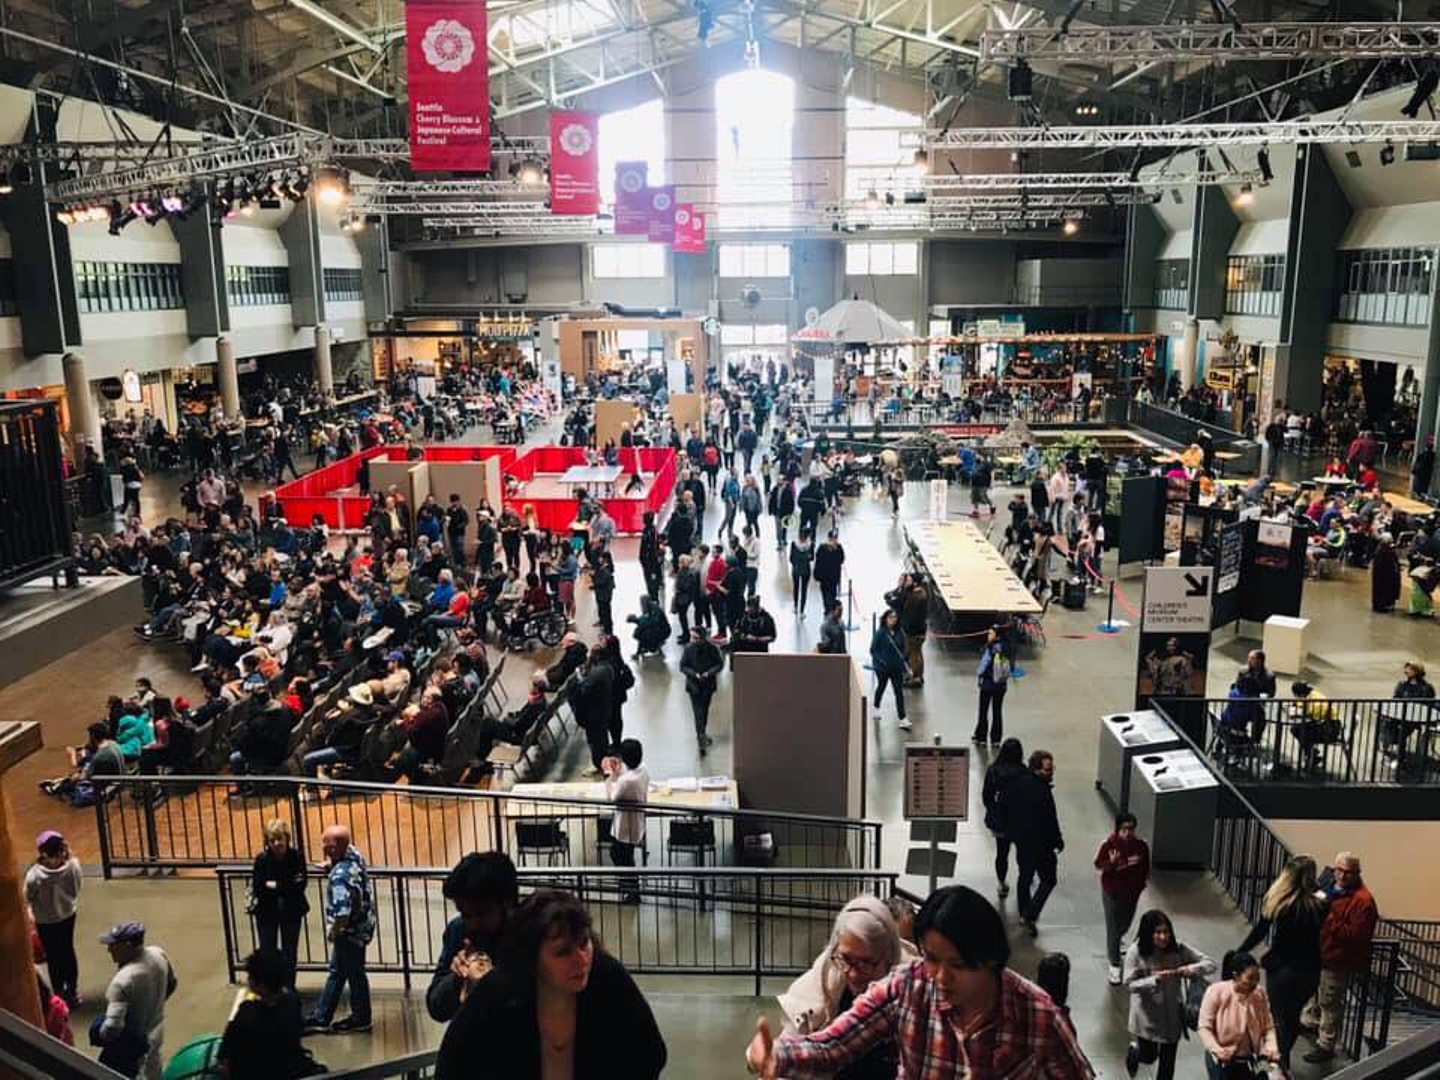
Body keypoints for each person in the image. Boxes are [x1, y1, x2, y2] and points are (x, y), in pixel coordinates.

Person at [746, 884, 1094, 1079]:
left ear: (991, 960)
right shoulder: (907, 988)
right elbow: (834, 1044)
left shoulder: (1037, 1016)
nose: (940, 976)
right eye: (931, 958)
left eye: (957, 964)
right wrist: (779, 1055)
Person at [436, 890, 667, 1080]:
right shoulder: (497, 993)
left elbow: (650, 1054)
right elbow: (452, 1067)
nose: (582, 959)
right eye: (563, 952)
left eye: (584, 943)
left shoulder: (608, 977)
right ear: (531, 958)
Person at [776, 896, 917, 1080]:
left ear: (889, 957)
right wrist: (773, 1059)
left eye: (866, 963)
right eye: (846, 959)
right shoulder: (818, 986)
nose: (853, 974)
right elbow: (823, 1051)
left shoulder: (913, 988)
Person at [1236, 855, 1326, 1075]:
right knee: (1293, 1017)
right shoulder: (1320, 904)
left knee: (1278, 1018)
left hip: (1283, 968)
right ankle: (1281, 1062)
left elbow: (1260, 930)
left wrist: (1241, 951)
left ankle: (1280, 1064)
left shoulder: (1280, 902)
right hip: (1310, 970)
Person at [1302, 852, 1378, 1064]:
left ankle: (1326, 1045)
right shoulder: (1330, 886)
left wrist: (1328, 918)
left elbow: (1356, 936)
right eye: (1339, 870)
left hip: (1338, 959)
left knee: (1330, 1002)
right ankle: (1311, 1023)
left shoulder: (1363, 902)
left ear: (1357, 873)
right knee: (1316, 993)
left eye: (1348, 872)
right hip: (1320, 952)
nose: (1342, 876)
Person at [426, 852, 519, 1023]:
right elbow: (436, 1008)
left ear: (507, 904)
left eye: (482, 913)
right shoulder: (458, 930)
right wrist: (456, 979)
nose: (473, 924)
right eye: (465, 914)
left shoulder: (532, 933)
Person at [1124, 909, 1216, 1080]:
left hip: (1172, 1016)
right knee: (1149, 1056)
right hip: (1147, 1018)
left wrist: (1191, 969)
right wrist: (1154, 980)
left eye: (1166, 932)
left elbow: (1210, 964)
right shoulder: (1135, 952)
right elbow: (1129, 984)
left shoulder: (1178, 949)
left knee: (1167, 1066)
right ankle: (1136, 1052)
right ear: (1148, 933)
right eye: (1158, 932)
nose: (1163, 937)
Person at [304, 825, 375, 1035]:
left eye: (327, 846)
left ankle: (359, 1018)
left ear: (335, 848)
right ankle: (323, 1016)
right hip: (363, 926)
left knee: (352, 974)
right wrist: (331, 864)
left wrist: (333, 932)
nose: (323, 848)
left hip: (348, 933)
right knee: (341, 972)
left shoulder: (340, 879)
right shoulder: (354, 854)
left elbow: (342, 915)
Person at [217, 948, 319, 1080]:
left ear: (260, 985)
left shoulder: (247, 1011)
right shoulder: (292, 1004)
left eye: (250, 976)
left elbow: (225, 1055)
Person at [96, 921, 177, 1080]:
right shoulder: (158, 953)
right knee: (154, 1069)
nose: (109, 949)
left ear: (127, 946)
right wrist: (154, 1004)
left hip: (134, 1043)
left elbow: (112, 1028)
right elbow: (172, 984)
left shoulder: (122, 981)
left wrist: (98, 1032)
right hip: (157, 1028)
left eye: (114, 945)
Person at [1005, 749, 1063, 936]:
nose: (1051, 772)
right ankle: (1030, 913)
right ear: (1037, 769)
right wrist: (1058, 840)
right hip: (1042, 845)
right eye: (1048, 769)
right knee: (1048, 879)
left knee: (1025, 876)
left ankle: (1024, 912)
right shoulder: (1043, 791)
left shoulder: (1019, 784)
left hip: (1022, 842)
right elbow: (1050, 820)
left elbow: (1009, 808)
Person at [1198, 952, 1279, 1079]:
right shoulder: (1215, 991)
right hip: (1221, 1062)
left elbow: (1268, 1027)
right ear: (1236, 975)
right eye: (1250, 978)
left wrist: (1271, 1048)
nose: (1255, 983)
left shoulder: (1259, 993)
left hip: (1248, 1060)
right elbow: (1204, 1027)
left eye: (1257, 978)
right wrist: (1217, 1050)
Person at [27, 830, 83, 1007]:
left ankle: (58, 994)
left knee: (52, 956)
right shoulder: (73, 866)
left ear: (42, 852)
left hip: (45, 921)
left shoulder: (34, 875)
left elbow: (28, 897)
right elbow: (76, 889)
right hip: (67, 915)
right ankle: (73, 992)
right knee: (67, 950)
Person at [249, 819, 309, 985]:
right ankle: (271, 988)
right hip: (267, 914)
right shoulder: (261, 860)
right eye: (272, 840)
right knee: (268, 953)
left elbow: (299, 885)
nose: (276, 843)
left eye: (279, 838)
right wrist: (285, 885)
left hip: (291, 912)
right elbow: (259, 888)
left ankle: (289, 986)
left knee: (290, 952)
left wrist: (276, 885)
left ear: (287, 838)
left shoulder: (296, 857)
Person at [1095, 813, 1152, 984]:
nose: (1127, 833)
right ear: (1118, 829)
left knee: (1125, 923)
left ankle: (1116, 941)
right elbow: (1099, 864)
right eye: (1124, 829)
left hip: (1132, 893)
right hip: (1112, 893)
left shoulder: (1141, 846)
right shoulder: (1109, 844)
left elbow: (1145, 865)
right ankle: (1114, 964)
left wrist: (1142, 883)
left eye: (1131, 829)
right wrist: (1111, 863)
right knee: (1113, 928)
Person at [602, 739, 648, 903]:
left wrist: (609, 776)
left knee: (621, 856)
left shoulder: (626, 781)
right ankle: (629, 887)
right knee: (625, 855)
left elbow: (612, 797)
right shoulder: (643, 769)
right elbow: (626, 776)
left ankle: (632, 891)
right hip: (635, 821)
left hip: (625, 826)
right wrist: (618, 770)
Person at [981, 738, 1027, 899]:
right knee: (1023, 853)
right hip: (1020, 820)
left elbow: (986, 796)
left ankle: (1001, 882)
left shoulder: (993, 770)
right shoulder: (1023, 772)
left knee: (1002, 853)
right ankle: (1025, 880)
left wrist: (994, 809)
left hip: (1000, 821)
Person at [680, 625, 724, 752]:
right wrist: (694, 674)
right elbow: (683, 666)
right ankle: (701, 738)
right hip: (694, 686)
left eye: (696, 638)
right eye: (692, 637)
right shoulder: (688, 649)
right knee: (698, 713)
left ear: (703, 638)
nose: (693, 640)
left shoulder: (712, 649)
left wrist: (708, 673)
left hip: (707, 686)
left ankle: (702, 733)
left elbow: (719, 664)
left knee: (704, 711)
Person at [884, 573, 929, 686]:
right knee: (916, 653)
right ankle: (917, 676)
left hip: (914, 631)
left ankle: (915, 678)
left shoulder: (916, 597)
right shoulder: (917, 593)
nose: (906, 582)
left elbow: (911, 615)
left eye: (908, 580)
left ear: (915, 583)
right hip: (917, 630)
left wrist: (906, 627)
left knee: (914, 655)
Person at [869, 608, 910, 731]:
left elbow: (904, 648)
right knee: (881, 686)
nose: (893, 619)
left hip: (896, 667)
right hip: (883, 669)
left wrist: (905, 660)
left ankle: (902, 718)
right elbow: (873, 650)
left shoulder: (900, 632)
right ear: (885, 619)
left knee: (899, 692)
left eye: (895, 617)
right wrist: (881, 662)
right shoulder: (880, 633)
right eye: (891, 617)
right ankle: (876, 707)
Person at [972, 627, 1011, 744]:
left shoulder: (990, 648)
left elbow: (983, 666)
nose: (988, 635)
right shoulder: (1006, 647)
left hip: (988, 685)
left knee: (983, 711)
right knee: (997, 711)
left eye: (990, 633)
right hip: (1001, 685)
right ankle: (996, 739)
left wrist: (979, 674)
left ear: (996, 635)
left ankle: (981, 737)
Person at [814, 529, 846, 613]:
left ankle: (829, 609)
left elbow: (842, 559)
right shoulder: (825, 547)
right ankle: (829, 609)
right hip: (828, 577)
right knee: (828, 594)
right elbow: (818, 561)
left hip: (829, 577)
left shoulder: (836, 548)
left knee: (829, 594)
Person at [789, 529, 815, 615]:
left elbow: (791, 558)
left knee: (796, 588)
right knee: (804, 590)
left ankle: (795, 606)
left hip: (796, 569)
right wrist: (806, 558)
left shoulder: (794, 544)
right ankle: (802, 611)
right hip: (806, 570)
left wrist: (796, 562)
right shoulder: (811, 544)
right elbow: (812, 558)